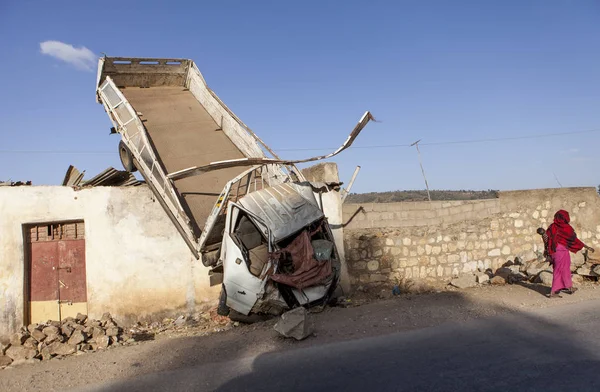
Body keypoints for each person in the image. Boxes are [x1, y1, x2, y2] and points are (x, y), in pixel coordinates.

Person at [543, 210, 594, 298]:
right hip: (561, 251)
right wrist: (586, 246)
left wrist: (546, 250)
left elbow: (546, 239)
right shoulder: (566, 228)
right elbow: (574, 240)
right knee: (559, 270)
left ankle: (569, 287)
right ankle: (553, 292)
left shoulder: (552, 227)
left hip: (555, 251)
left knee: (565, 269)